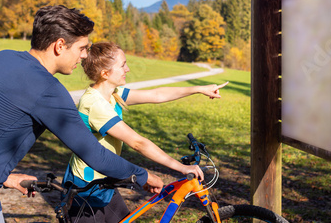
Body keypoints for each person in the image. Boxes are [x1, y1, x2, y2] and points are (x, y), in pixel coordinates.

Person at [0, 5, 163, 223]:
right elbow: (94, 154)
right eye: (82, 48)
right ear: (59, 46)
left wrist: (6, 178)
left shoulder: (1, 58)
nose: (85, 55)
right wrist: (143, 175)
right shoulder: (47, 90)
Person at [63, 41, 228, 222]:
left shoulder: (113, 93)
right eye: (122, 65)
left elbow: (156, 95)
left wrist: (199, 89)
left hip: (105, 183)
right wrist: (180, 167)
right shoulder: (95, 104)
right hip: (88, 191)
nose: (127, 69)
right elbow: (137, 143)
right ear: (105, 73)